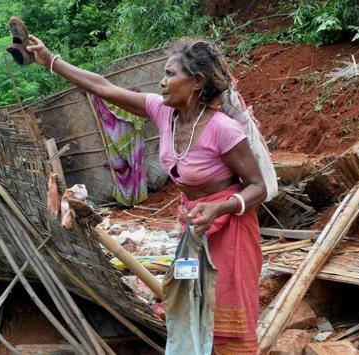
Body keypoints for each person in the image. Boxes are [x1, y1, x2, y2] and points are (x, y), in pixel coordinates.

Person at [27, 36, 266, 354]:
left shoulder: (223, 129)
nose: (162, 82)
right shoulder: (163, 113)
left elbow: (258, 187)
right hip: (193, 232)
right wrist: (50, 61)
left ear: (196, 82)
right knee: (183, 297)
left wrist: (219, 208)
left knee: (227, 319)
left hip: (230, 233)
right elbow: (102, 87)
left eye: (170, 75)